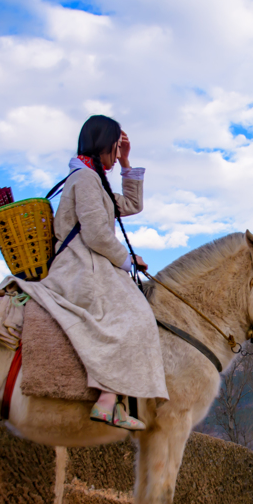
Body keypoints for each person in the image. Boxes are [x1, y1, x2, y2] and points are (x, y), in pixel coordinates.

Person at [38, 115, 169, 430]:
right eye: (114, 148)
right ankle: (108, 401)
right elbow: (96, 233)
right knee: (131, 314)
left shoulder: (92, 177)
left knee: (132, 311)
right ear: (102, 144)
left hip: (92, 258)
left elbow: (133, 205)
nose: (114, 153)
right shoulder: (84, 179)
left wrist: (126, 162)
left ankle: (116, 399)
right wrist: (127, 261)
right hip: (79, 262)